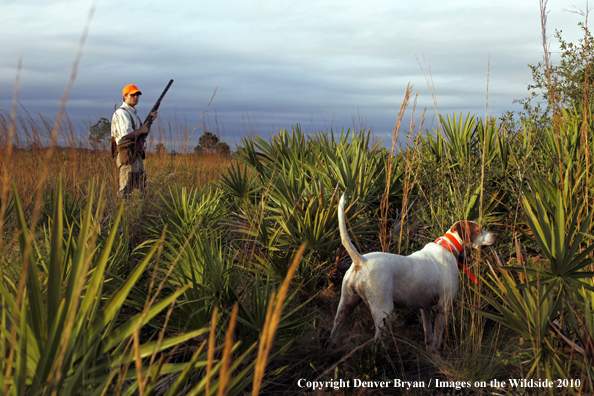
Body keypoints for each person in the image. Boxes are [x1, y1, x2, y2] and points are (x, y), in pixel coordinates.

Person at [111, 84, 157, 198]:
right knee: (126, 188)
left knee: (139, 186)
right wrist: (141, 130)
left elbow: (143, 133)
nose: (136, 97)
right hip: (127, 155)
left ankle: (136, 211)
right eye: (133, 95)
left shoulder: (133, 114)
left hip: (135, 154)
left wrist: (150, 121)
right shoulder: (122, 113)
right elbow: (125, 135)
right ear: (125, 96)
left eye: (137, 95)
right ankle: (123, 213)